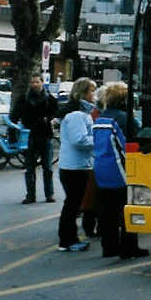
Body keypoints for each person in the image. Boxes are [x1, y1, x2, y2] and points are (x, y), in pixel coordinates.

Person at [93, 82, 148, 259]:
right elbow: (130, 145)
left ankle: (109, 247)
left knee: (107, 212)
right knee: (127, 210)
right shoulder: (124, 119)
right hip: (121, 172)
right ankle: (129, 248)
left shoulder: (101, 118)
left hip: (101, 170)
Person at [56, 77, 97, 252]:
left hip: (75, 165)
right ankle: (67, 240)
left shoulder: (79, 113)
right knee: (72, 205)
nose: (94, 95)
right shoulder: (76, 115)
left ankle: (69, 238)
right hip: (75, 166)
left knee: (72, 204)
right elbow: (79, 139)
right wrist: (99, 139)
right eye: (92, 91)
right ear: (84, 93)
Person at [9, 71, 58, 204]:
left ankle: (49, 194)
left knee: (47, 167)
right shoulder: (24, 98)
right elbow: (13, 117)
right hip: (29, 136)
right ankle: (30, 195)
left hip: (45, 135)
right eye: (32, 82)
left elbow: (56, 113)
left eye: (37, 81)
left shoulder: (49, 98)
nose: (34, 84)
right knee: (29, 168)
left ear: (42, 82)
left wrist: (50, 119)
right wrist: (13, 133)